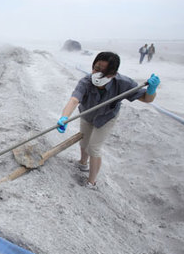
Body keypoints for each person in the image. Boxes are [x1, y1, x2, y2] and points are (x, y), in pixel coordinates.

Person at [56, 51, 160, 189]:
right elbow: (74, 100)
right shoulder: (86, 82)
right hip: (87, 114)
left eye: (104, 72)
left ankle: (91, 182)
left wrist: (152, 90)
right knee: (84, 141)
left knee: (94, 148)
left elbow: (146, 99)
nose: (98, 74)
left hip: (106, 118)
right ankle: (82, 163)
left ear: (113, 73)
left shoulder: (124, 84)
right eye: (96, 68)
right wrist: (64, 117)